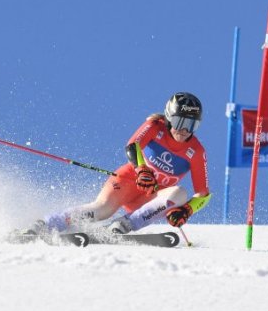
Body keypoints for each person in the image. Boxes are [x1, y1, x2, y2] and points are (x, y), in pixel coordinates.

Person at [27, 92, 211, 235]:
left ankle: (123, 225)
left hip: (150, 199)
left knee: (180, 193)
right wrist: (142, 170)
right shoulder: (156, 127)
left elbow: (203, 194)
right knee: (102, 209)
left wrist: (186, 210)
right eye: (179, 122)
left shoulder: (196, 151)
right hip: (128, 181)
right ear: (169, 117)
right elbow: (133, 145)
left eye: (191, 125)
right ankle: (47, 224)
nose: (184, 130)